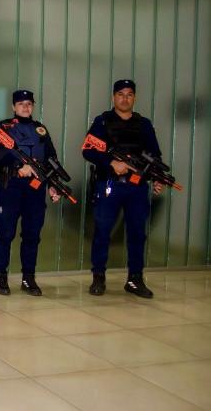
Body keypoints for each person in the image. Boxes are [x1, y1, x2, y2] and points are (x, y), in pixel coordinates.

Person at [82, 79, 163, 298]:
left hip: (137, 187)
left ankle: (135, 279)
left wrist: (158, 178)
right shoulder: (102, 122)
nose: (125, 99)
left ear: (134, 98)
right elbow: (88, 150)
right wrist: (111, 162)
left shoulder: (144, 124)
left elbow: (154, 155)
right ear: (113, 97)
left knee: (137, 234)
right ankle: (98, 277)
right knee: (103, 232)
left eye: (129, 94)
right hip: (109, 184)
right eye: (120, 94)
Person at [0, 90, 62, 296]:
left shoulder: (40, 130)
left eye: (29, 103)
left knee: (32, 234)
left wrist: (54, 184)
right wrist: (19, 165)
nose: (25, 107)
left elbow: (51, 158)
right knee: (5, 232)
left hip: (35, 189)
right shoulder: (4, 127)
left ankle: (28, 278)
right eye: (21, 104)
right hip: (10, 186)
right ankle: (1, 276)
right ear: (13, 107)